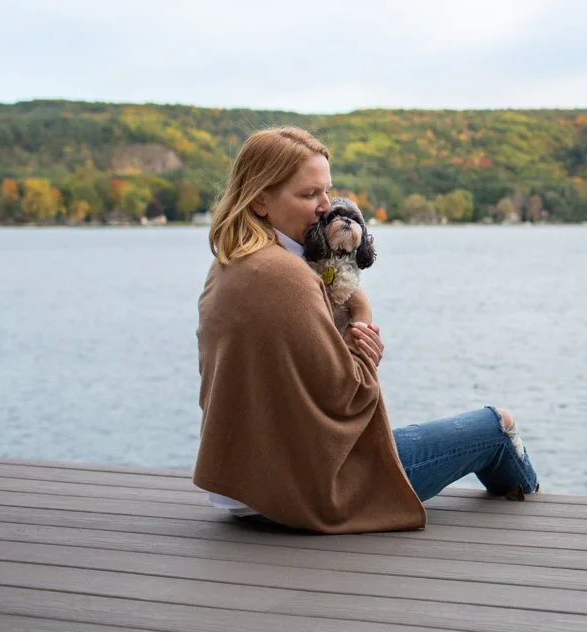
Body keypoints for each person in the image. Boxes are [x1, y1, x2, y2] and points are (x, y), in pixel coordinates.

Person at [193, 125, 538, 533]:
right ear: (261, 200)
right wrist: (361, 313)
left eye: (327, 191)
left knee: (412, 438)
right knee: (497, 426)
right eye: (308, 195)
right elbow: (351, 396)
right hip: (304, 491)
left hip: (240, 484)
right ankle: (542, 522)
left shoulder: (228, 266)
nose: (326, 206)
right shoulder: (289, 277)